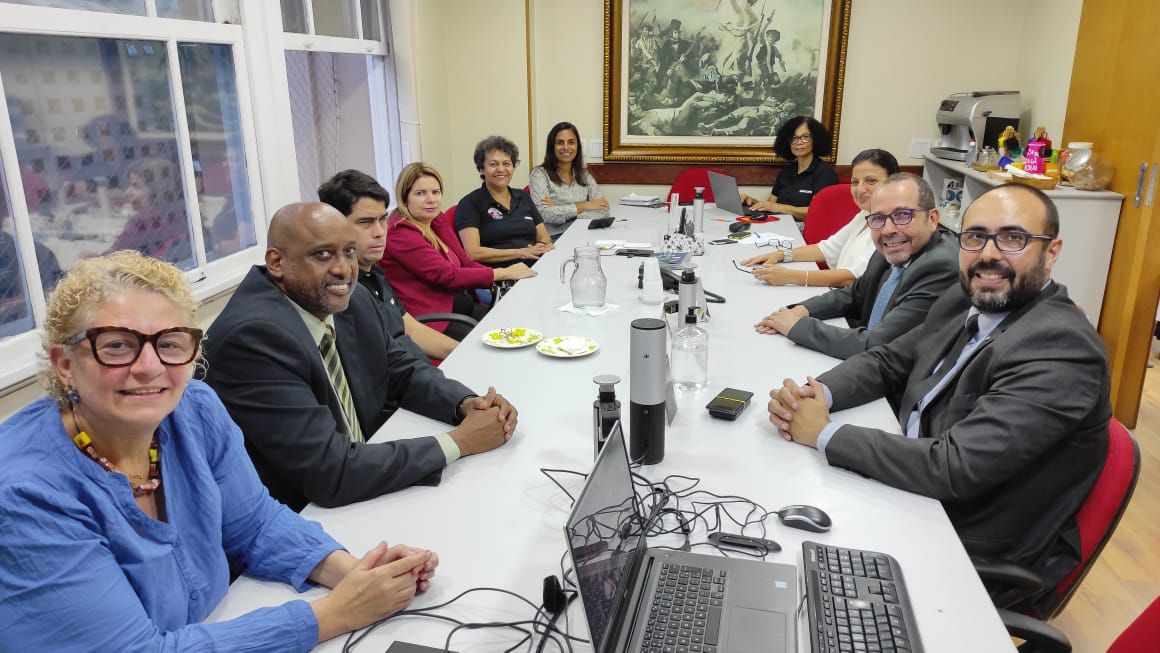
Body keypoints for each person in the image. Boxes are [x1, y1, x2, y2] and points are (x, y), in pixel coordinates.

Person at [0, 250, 440, 650]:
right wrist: (337, 612)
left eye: (170, 343)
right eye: (117, 345)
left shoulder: (194, 408)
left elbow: (255, 523)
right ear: (64, 364)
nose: (150, 367)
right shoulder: (26, 496)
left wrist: (357, 574)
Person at [767, 183, 1110, 594]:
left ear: (1051, 252)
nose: (989, 255)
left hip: (964, 538)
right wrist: (818, 394)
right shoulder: (965, 298)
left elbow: (955, 467)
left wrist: (822, 433)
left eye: (1013, 238)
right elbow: (890, 360)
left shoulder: (1061, 349)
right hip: (914, 483)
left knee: (785, 566)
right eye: (976, 237)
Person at [203, 202, 519, 511]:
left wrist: (466, 404)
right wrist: (460, 441)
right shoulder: (253, 338)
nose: (343, 269)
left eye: (349, 251)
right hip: (302, 515)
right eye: (322, 254)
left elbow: (402, 370)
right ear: (276, 262)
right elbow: (329, 471)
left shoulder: (349, 298)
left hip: (359, 482)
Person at [753, 173, 959, 360]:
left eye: (902, 215)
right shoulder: (890, 248)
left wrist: (798, 327)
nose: (888, 229)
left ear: (932, 219)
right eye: (878, 218)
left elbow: (877, 344)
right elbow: (853, 295)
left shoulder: (940, 266)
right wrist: (802, 310)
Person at [318, 169, 461, 360]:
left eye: (382, 219)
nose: (379, 232)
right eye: (365, 222)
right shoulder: (340, 290)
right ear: (335, 226)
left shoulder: (374, 272)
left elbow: (409, 328)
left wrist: (464, 353)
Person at [384, 163, 536, 340]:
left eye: (435, 192)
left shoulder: (435, 220)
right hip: (434, 320)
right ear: (404, 198)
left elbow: (466, 262)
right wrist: (501, 273)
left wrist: (507, 276)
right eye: (420, 193)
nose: (431, 199)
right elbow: (448, 276)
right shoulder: (400, 233)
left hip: (458, 304)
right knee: (497, 341)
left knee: (513, 327)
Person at [740, 148, 901, 288]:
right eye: (855, 182)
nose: (860, 189)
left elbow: (852, 277)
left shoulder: (894, 226)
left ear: (893, 183)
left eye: (871, 181)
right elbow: (825, 249)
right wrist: (782, 255)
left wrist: (791, 277)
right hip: (839, 297)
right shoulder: (866, 214)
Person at [456, 135, 554, 266]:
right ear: (481, 168)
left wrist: (541, 248)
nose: (501, 169)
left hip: (536, 266)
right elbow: (473, 253)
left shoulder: (522, 196)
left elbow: (544, 237)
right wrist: (520, 252)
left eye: (506, 163)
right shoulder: (470, 203)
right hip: (500, 278)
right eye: (493, 164)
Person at [742, 115, 839, 221]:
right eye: (794, 138)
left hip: (805, 230)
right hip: (779, 225)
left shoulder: (825, 173)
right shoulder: (786, 172)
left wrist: (781, 208)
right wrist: (753, 202)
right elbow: (771, 205)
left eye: (805, 137)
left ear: (815, 140)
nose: (798, 142)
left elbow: (818, 211)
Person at [528, 122, 609, 238]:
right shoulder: (539, 175)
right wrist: (586, 205)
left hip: (584, 232)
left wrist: (559, 208)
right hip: (555, 237)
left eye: (571, 142)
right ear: (552, 147)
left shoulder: (584, 175)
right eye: (560, 143)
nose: (566, 147)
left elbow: (604, 210)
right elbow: (545, 214)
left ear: (577, 146)